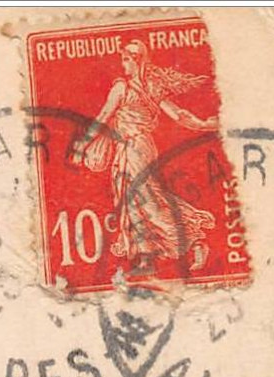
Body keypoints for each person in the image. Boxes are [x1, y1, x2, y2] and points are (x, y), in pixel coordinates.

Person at [72, 41, 219, 273]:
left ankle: (193, 240)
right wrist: (203, 124)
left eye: (127, 60)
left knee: (145, 202)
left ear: (137, 60)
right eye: (123, 60)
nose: (124, 65)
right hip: (140, 146)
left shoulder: (123, 88)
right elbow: (180, 115)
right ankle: (146, 257)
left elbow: (102, 117)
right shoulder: (151, 88)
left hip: (134, 148)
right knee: (138, 201)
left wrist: (82, 145)